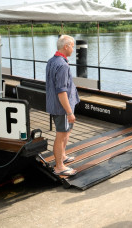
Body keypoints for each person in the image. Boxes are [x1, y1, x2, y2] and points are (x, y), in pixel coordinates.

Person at [46, 35, 80, 176]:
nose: (73, 48)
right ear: (66, 46)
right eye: (72, 45)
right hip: (62, 108)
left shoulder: (52, 61)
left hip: (55, 105)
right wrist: (69, 112)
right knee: (61, 134)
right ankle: (59, 166)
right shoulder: (63, 65)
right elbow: (61, 92)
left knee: (66, 131)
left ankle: (63, 156)